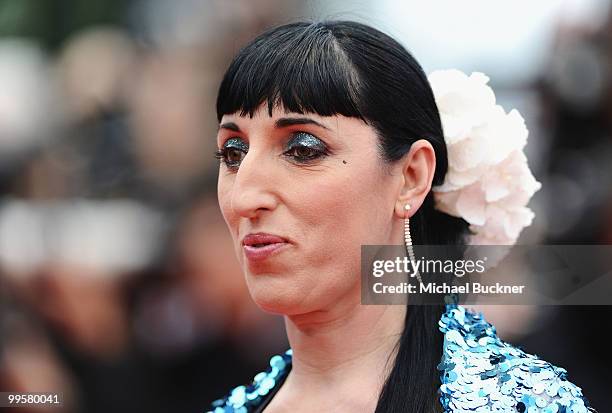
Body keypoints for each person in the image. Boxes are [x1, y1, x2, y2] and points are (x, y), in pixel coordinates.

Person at [206, 20, 595, 413]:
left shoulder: (520, 404)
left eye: (304, 148)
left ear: (411, 177)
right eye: (233, 152)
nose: (243, 198)